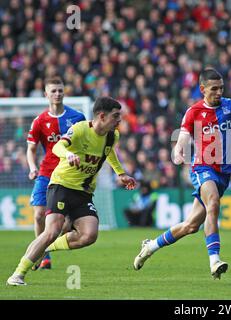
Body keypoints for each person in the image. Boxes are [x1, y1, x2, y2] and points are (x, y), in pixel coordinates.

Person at [133, 68, 231, 279]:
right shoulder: (194, 111)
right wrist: (178, 149)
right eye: (214, 89)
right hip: (203, 167)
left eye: (221, 88)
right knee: (213, 204)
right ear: (203, 89)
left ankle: (150, 246)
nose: (219, 92)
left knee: (191, 226)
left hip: (224, 173)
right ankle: (214, 261)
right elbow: (183, 135)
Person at [7, 97, 136, 286]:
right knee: (52, 230)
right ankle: (18, 274)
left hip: (84, 192)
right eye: (116, 116)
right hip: (62, 185)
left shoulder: (111, 135)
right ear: (102, 116)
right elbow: (59, 145)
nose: (119, 120)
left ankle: (45, 247)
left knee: (89, 235)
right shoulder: (80, 129)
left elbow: (109, 151)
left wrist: (121, 173)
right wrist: (68, 154)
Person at [27, 77, 85, 270]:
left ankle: (49, 245)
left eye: (60, 90)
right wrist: (32, 167)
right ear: (46, 94)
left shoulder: (77, 117)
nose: (57, 94)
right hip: (46, 173)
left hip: (69, 175)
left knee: (66, 225)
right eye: (53, 91)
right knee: (38, 216)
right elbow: (31, 149)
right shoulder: (40, 121)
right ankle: (44, 257)